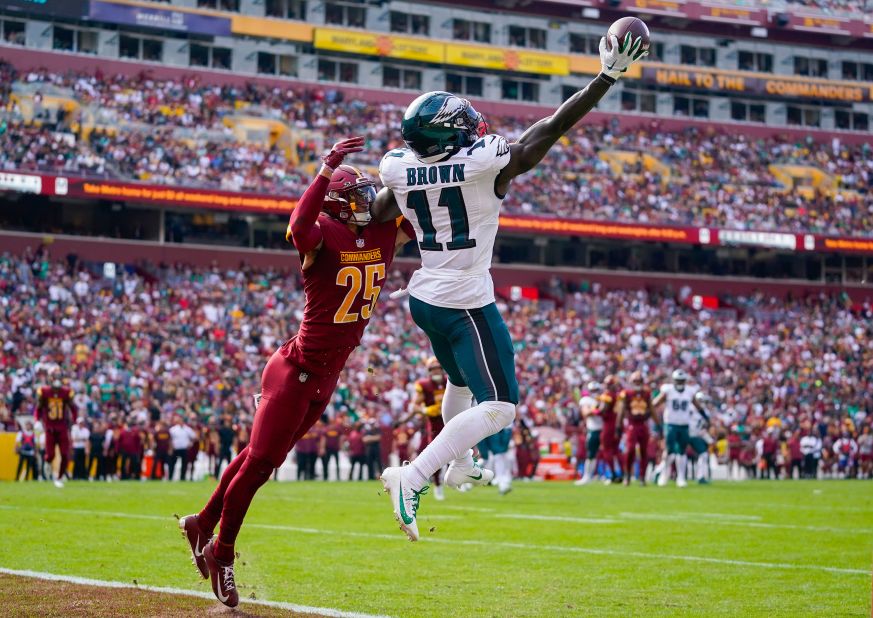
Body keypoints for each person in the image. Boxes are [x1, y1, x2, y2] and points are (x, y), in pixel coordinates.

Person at [373, 28, 648, 540]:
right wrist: (604, 79)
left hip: (424, 296)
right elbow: (546, 131)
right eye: (462, 124)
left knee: (459, 383)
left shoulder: (398, 168)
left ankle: (457, 463)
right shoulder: (482, 164)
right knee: (500, 405)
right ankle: (412, 476)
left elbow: (377, 210)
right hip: (464, 301)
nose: (474, 127)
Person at [177, 137, 413, 608]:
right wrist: (326, 169)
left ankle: (202, 521)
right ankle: (221, 552)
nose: (366, 202)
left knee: (258, 457)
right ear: (335, 203)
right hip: (294, 371)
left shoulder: (384, 233)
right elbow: (300, 223)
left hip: (327, 377)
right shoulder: (321, 232)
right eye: (355, 196)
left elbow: (418, 210)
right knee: (262, 463)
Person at [395, 357, 448, 499]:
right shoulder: (424, 385)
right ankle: (437, 485)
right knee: (437, 454)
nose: (436, 371)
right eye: (433, 369)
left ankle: (460, 478)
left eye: (438, 368)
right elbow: (415, 406)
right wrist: (427, 411)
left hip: (451, 419)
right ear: (429, 371)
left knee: (459, 449)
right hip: (434, 423)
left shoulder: (450, 381)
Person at [652, 370, 703, 488]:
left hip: (684, 424)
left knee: (682, 451)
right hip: (671, 424)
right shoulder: (668, 390)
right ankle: (664, 475)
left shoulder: (690, 391)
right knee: (669, 450)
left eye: (681, 380)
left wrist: (705, 416)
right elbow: (655, 403)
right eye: (678, 380)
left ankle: (681, 477)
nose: (679, 382)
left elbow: (697, 406)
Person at [35, 376, 77, 488]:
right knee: (50, 455)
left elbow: (73, 407)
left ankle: (59, 477)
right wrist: (37, 421)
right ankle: (47, 463)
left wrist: (75, 421)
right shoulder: (44, 391)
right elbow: (38, 408)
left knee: (65, 454)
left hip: (62, 427)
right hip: (49, 428)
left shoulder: (66, 392)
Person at [616, 371, 653, 486]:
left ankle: (642, 477)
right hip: (632, 424)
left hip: (643, 424)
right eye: (635, 381)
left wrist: (658, 424)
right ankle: (627, 475)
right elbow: (621, 410)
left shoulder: (646, 393)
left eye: (639, 381)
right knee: (630, 449)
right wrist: (618, 425)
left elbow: (651, 409)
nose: (637, 383)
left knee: (644, 451)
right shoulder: (626, 393)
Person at [574, 381, 603, 485]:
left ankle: (599, 476)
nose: (595, 392)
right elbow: (586, 413)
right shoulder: (587, 400)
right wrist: (598, 409)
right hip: (593, 429)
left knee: (603, 454)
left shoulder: (602, 399)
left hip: (603, 429)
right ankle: (587, 476)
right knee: (590, 454)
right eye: (593, 390)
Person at [687, 391, 712, 484]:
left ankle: (701, 476)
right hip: (686, 433)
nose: (702, 403)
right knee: (673, 453)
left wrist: (707, 437)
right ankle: (658, 472)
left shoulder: (705, 412)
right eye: (700, 401)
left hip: (694, 435)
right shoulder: (690, 408)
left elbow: (705, 427)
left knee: (704, 454)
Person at [168, 415, 196, 481]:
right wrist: (171, 448)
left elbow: (194, 437)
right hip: (175, 449)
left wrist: (190, 443)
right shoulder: (173, 429)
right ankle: (170, 477)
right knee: (172, 464)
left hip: (184, 449)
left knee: (184, 464)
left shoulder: (187, 429)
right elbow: (169, 439)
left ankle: (182, 478)